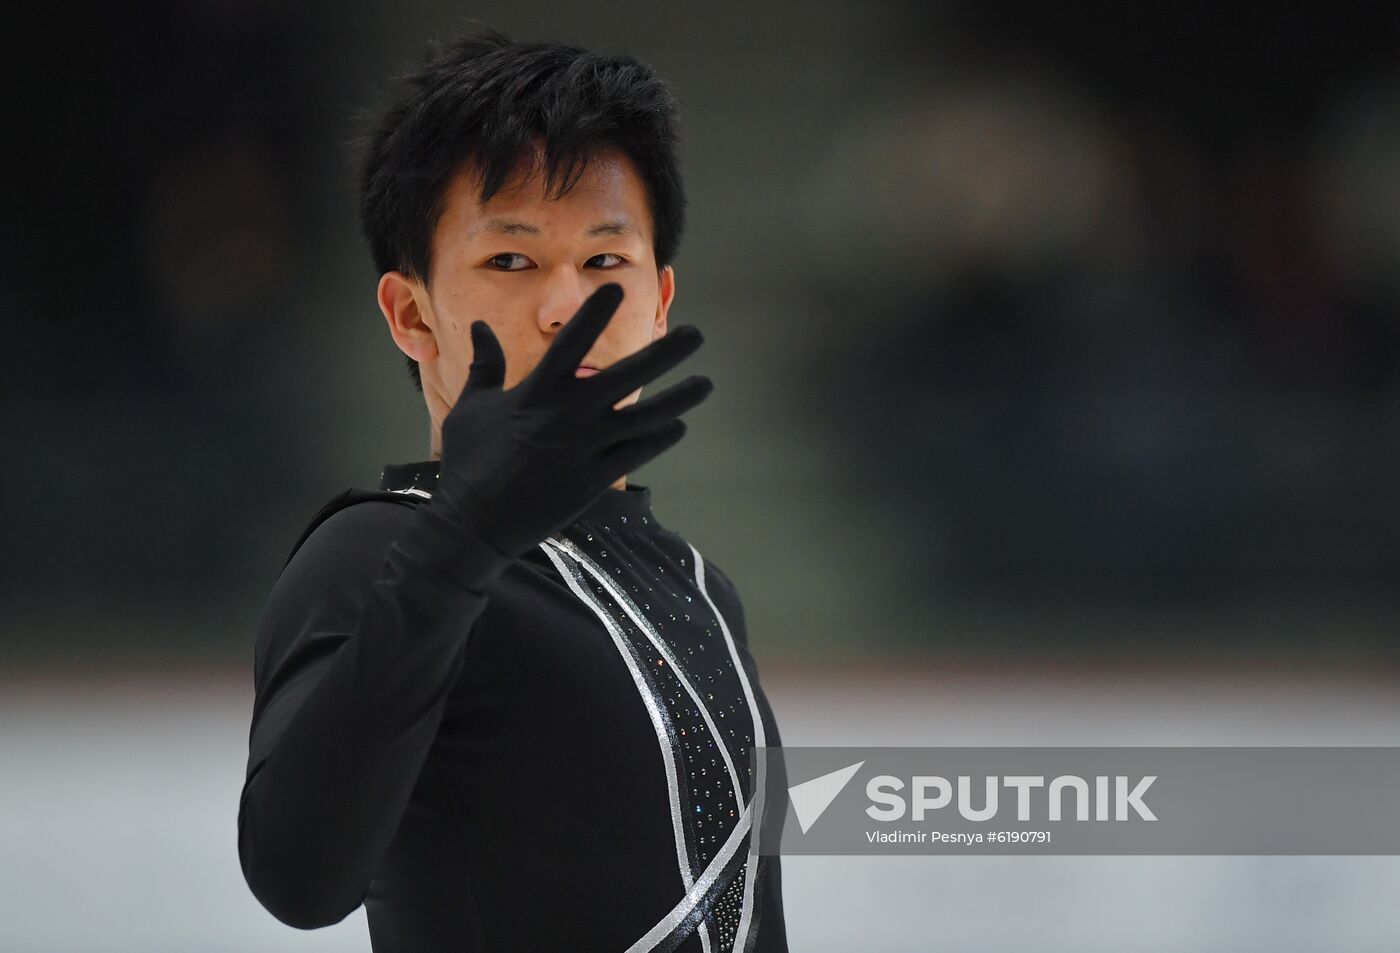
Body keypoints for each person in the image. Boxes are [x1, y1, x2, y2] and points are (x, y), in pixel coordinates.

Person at [236, 25, 790, 953]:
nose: (566, 304)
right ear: (412, 313)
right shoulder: (373, 555)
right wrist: (467, 535)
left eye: (605, 262)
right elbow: (296, 876)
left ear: (659, 298)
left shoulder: (699, 585)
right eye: (511, 260)